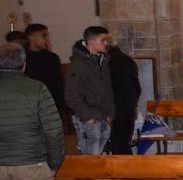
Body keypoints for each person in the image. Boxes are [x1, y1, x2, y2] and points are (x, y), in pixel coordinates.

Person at [0, 43, 64, 180]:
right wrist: (53, 164)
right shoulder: (37, 89)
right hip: (33, 164)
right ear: (24, 64)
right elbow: (53, 130)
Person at [65, 26, 114, 154]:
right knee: (90, 158)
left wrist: (109, 113)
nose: (106, 43)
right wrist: (88, 117)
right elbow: (71, 95)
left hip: (103, 115)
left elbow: (107, 89)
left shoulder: (103, 60)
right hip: (88, 116)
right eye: (103, 40)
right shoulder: (78, 63)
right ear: (91, 42)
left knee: (99, 155)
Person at [24, 23, 66, 117]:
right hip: (31, 105)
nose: (47, 39)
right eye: (43, 36)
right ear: (31, 37)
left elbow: (58, 84)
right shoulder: (23, 58)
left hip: (51, 104)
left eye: (47, 36)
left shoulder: (52, 57)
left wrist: (61, 107)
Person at [107, 44, 142, 154]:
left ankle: (121, 170)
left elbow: (105, 90)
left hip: (115, 110)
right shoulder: (128, 61)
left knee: (117, 147)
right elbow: (137, 88)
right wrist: (133, 104)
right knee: (124, 144)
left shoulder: (107, 62)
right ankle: (127, 169)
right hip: (128, 110)